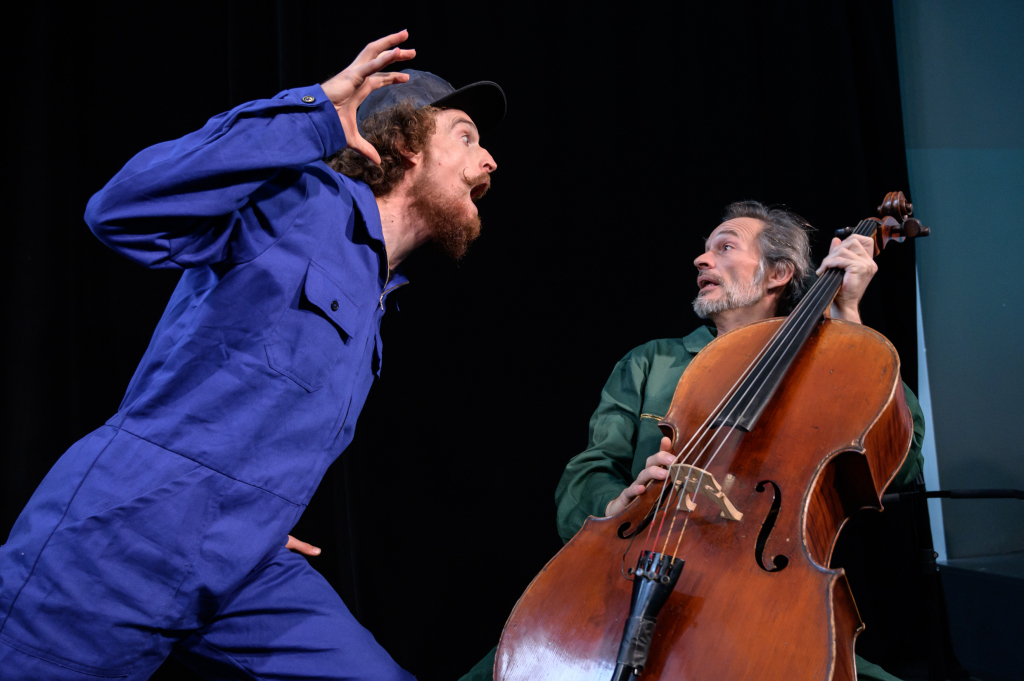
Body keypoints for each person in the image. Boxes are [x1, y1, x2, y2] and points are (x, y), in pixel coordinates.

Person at [0, 30, 503, 681]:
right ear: (404, 140)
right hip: (128, 534)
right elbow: (119, 210)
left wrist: (248, 510)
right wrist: (315, 113)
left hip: (247, 561)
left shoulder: (381, 302)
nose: (490, 160)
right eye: (466, 135)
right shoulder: (301, 204)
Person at [460, 201, 924, 681]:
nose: (702, 260)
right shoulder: (651, 363)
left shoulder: (828, 362)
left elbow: (902, 461)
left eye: (725, 248)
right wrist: (618, 502)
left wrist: (847, 316)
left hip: (759, 601)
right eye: (704, 251)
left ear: (778, 274)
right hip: (629, 576)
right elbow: (587, 474)